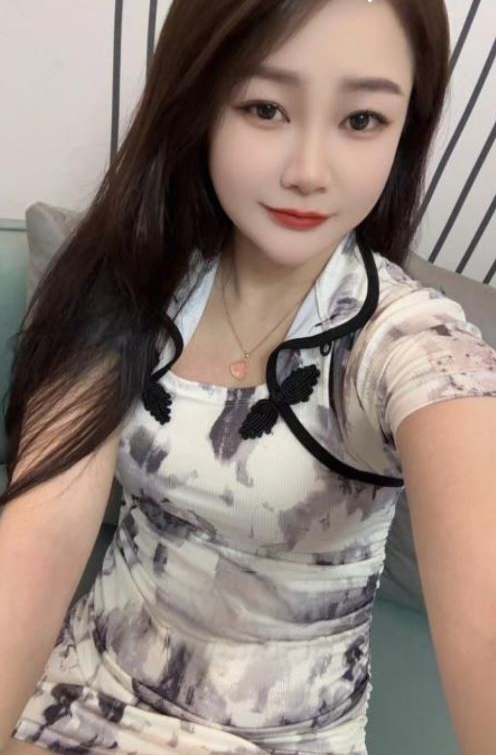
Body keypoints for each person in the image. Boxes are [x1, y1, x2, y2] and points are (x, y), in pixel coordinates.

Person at [1, 0, 496, 753]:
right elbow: (41, 535)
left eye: (362, 120)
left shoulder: (408, 342)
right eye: (266, 108)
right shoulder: (131, 281)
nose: (308, 172)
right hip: (81, 693)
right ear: (199, 103)